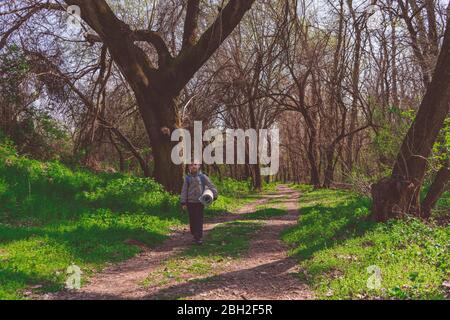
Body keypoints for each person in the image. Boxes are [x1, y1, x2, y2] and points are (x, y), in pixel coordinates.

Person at [180, 164, 218, 245]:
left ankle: (199, 238)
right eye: (191, 165)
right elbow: (184, 191)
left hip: (200, 202)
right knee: (192, 220)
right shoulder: (187, 178)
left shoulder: (203, 177)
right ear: (189, 167)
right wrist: (183, 202)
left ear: (199, 166)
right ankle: (194, 234)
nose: (193, 166)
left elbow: (211, 185)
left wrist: (214, 195)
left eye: (195, 165)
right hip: (190, 203)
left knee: (199, 220)